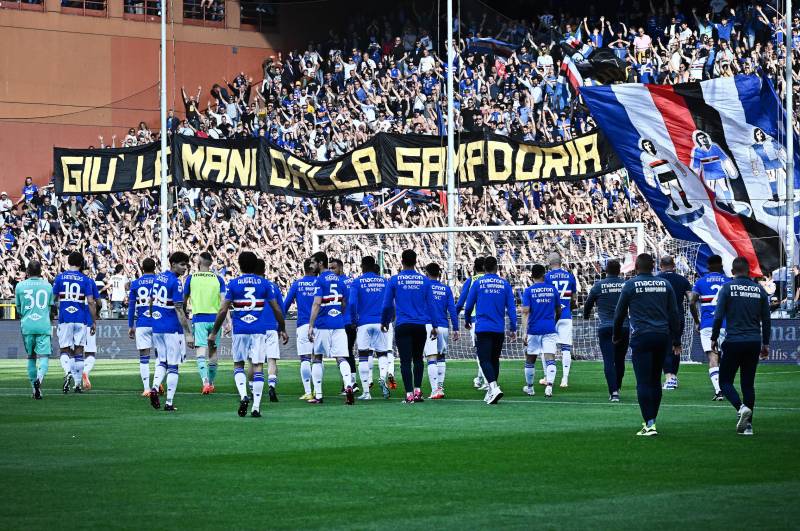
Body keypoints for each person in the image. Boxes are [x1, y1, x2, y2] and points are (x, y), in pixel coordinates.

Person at [208, 252, 287, 417]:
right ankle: (256, 407)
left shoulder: (234, 284)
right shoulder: (264, 284)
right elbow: (276, 308)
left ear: (240, 265)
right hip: (258, 331)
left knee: (238, 365)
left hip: (240, 330)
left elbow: (223, 310)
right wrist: (282, 326)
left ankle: (244, 395)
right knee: (258, 367)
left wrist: (214, 332)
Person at [613, 253, 681, 436]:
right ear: (653, 267)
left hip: (642, 336)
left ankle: (649, 424)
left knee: (643, 382)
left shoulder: (630, 285)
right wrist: (676, 339)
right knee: (655, 380)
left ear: (636, 267)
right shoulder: (665, 284)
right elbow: (674, 313)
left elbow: (619, 313)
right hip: (662, 336)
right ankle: (652, 421)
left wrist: (616, 334)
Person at [711, 256, 771, 436]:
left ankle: (741, 407)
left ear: (732, 271)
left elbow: (719, 316)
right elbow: (766, 320)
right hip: (753, 341)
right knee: (748, 384)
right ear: (749, 270)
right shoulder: (759, 290)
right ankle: (748, 427)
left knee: (725, 381)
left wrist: (714, 337)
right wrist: (765, 343)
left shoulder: (727, 288)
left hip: (734, 340)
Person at [381, 249, 436, 404]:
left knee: (405, 361)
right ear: (416, 261)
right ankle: (418, 392)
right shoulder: (424, 280)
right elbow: (431, 304)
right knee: (418, 358)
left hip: (403, 325)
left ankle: (409, 395)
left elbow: (387, 305)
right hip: (420, 325)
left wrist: (384, 321)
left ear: (401, 261)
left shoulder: (394, 280)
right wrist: (435, 324)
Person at [463, 256, 517, 405]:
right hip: (499, 328)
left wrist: (467, 319)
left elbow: (469, 305)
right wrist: (513, 327)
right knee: (494, 360)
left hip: (483, 327)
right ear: (497, 268)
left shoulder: (478, 282)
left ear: (484, 268)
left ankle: (493, 387)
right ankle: (490, 392)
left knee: (484, 359)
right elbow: (512, 308)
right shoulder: (505, 284)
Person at [148, 251, 194, 412]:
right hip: (171, 328)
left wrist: (153, 317)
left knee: (162, 361)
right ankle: (168, 402)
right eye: (182, 264)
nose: (185, 268)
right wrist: (188, 333)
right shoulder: (176, 282)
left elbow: (151, 301)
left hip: (157, 326)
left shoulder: (158, 278)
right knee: (173, 365)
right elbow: (179, 310)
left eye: (187, 265)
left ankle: (154, 388)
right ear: (173, 264)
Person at [307, 251, 355, 405]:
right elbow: (345, 302)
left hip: (322, 324)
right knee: (341, 357)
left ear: (321, 263)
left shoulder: (319, 281)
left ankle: (319, 395)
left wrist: (311, 325)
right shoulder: (341, 281)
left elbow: (316, 303)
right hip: (339, 324)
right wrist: (337, 314)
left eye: (313, 262)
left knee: (317, 357)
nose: (311, 265)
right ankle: (348, 385)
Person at [53, 252, 97, 394]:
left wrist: (53, 311)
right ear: (81, 264)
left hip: (65, 318)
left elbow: (52, 299)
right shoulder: (85, 279)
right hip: (80, 319)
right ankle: (77, 384)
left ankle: (67, 373)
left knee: (65, 349)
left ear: (68, 261)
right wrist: (94, 321)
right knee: (79, 350)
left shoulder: (60, 278)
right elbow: (91, 302)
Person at [583, 260, 626, 402]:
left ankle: (613, 392)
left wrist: (586, 316)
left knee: (608, 360)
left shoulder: (598, 285)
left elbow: (588, 304)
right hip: (624, 327)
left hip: (606, 327)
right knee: (620, 360)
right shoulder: (625, 284)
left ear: (605, 271)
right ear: (619, 270)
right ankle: (617, 387)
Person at [184, 252, 226, 394]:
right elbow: (224, 302)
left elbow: (184, 301)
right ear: (210, 263)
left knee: (200, 353)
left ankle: (205, 382)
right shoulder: (218, 279)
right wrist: (228, 321)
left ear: (199, 262)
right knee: (213, 353)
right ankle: (212, 383)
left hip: (199, 318)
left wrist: (184, 314)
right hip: (215, 320)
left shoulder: (191, 278)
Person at [689, 254, 730, 400]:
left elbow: (691, 302)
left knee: (713, 358)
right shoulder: (728, 281)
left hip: (707, 325)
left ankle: (719, 391)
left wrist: (697, 320)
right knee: (725, 358)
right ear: (721, 265)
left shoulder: (700, 282)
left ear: (708, 267)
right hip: (725, 325)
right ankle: (726, 387)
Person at [349, 256, 389, 400]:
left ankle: (366, 392)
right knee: (382, 354)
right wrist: (387, 320)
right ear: (374, 266)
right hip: (380, 321)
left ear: (362, 266)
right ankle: (383, 377)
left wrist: (354, 320)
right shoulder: (384, 282)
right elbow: (390, 303)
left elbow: (352, 303)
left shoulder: (357, 282)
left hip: (364, 322)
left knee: (364, 356)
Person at [14, 260, 54, 399]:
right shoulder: (48, 286)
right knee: (43, 356)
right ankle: (40, 379)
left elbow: (18, 308)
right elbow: (50, 307)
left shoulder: (19, 286)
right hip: (43, 324)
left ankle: (34, 388)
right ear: (41, 271)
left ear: (27, 271)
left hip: (27, 325)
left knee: (31, 357)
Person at [521, 264, 560, 398]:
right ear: (544, 274)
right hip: (549, 328)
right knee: (550, 357)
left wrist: (524, 332)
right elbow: (558, 310)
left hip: (534, 329)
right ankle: (549, 387)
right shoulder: (553, 289)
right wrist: (553, 322)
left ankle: (530, 388)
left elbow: (525, 312)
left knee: (531, 358)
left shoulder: (529, 291)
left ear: (532, 276)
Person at [657, 255, 695, 390]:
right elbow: (691, 300)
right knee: (676, 347)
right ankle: (673, 376)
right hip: (679, 317)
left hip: (662, 318)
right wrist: (696, 318)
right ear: (674, 266)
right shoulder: (683, 280)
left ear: (661, 266)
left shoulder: (657, 280)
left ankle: (669, 378)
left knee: (665, 349)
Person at [283, 258, 318, 400]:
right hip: (320, 325)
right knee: (317, 359)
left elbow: (285, 305)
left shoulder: (297, 284)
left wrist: (280, 324)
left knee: (305, 358)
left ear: (304, 269)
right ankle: (318, 390)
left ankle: (308, 391)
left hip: (304, 324)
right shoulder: (320, 283)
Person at [423, 262, 459, 399]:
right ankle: (440, 387)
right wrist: (456, 327)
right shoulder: (446, 289)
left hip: (430, 325)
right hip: (444, 326)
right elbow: (452, 310)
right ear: (439, 274)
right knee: (441, 356)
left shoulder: (425, 287)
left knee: (431, 357)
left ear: (427, 273)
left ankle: (434, 390)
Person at [255, 258, 287, 402]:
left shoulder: (252, 285)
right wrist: (282, 328)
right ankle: (272, 386)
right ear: (264, 269)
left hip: (256, 328)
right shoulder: (273, 286)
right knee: (272, 359)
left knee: (257, 361)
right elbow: (280, 309)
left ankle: (256, 390)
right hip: (272, 327)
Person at [544, 253, 576, 388]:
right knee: (566, 348)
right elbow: (574, 298)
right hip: (566, 315)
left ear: (549, 263)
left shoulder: (546, 277)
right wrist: (569, 307)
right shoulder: (570, 276)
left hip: (551, 316)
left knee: (547, 347)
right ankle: (565, 379)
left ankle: (547, 377)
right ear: (561, 262)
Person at [455, 257, 486, 390]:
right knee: (488, 352)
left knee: (480, 352)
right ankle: (480, 379)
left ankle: (487, 381)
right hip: (494, 320)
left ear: (474, 268)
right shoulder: (495, 281)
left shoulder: (471, 281)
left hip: (475, 320)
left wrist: (453, 316)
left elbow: (461, 302)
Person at [128, 258, 157, 396]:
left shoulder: (135, 283)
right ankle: (156, 386)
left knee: (144, 357)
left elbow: (131, 307)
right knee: (161, 356)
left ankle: (146, 388)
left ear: (142, 268)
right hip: (158, 323)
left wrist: (130, 326)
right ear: (155, 267)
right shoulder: (159, 281)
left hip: (142, 324)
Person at [331, 258, 358, 393]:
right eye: (330, 268)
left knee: (342, 354)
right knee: (348, 352)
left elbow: (345, 303)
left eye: (333, 268)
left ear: (340, 268)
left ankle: (349, 384)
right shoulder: (351, 281)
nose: (331, 271)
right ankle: (352, 381)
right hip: (352, 322)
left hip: (342, 323)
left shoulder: (337, 283)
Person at [80, 263, 100, 391]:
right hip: (87, 320)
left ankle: (75, 380)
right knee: (90, 352)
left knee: (74, 352)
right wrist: (96, 314)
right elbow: (96, 301)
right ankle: (85, 371)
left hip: (73, 320)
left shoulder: (67, 279)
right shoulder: (90, 282)